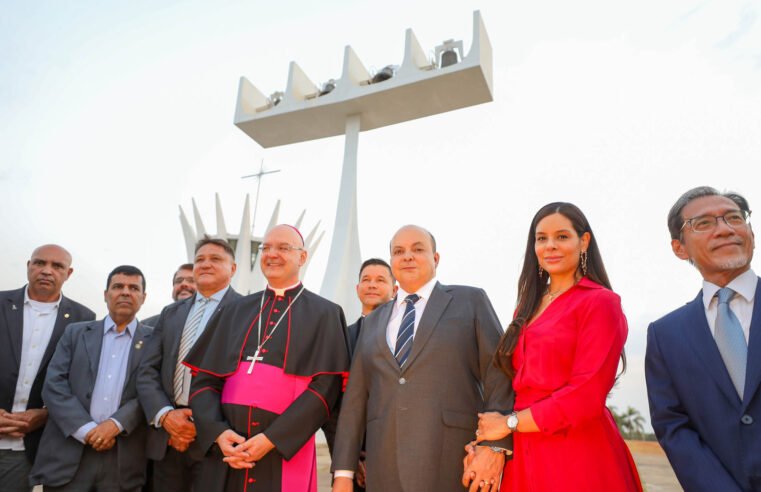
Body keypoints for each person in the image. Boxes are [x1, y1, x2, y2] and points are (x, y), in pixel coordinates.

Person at [473, 203, 642, 491]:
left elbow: (585, 397)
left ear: (584, 241)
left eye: (562, 237)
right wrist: (492, 445)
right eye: (542, 238)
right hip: (525, 450)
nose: (550, 245)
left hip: (576, 451)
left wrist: (509, 424)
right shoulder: (525, 309)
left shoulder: (600, 303)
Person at [332, 225, 513, 492]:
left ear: (435, 259)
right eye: (398, 251)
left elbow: (499, 375)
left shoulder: (470, 301)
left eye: (417, 249)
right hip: (384, 468)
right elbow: (354, 404)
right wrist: (343, 473)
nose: (407, 256)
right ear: (392, 262)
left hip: (455, 462)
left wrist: (495, 446)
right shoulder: (372, 323)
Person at [184, 224, 351, 491]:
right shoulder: (234, 310)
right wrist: (218, 432)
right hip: (227, 451)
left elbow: (325, 390)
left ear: (303, 257)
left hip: (284, 448)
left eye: (284, 248)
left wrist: (273, 438)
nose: (272, 254)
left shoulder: (325, 314)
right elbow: (204, 381)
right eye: (266, 248)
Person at [645, 187, 760, 491]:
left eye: (734, 218)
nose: (725, 229)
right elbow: (673, 426)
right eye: (704, 223)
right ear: (679, 248)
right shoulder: (666, 335)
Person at [29, 265, 152, 491]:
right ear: (106, 295)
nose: (125, 292)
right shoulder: (75, 333)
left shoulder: (155, 340)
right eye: (117, 286)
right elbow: (54, 385)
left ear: (143, 298)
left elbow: (152, 391)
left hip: (122, 460)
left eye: (133, 288)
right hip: (69, 455)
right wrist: (87, 430)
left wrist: (115, 424)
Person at [138, 239, 241, 491]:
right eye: (200, 259)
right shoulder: (171, 313)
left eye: (215, 259)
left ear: (233, 268)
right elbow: (147, 371)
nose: (205, 264)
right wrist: (165, 415)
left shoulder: (247, 311)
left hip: (218, 440)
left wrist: (205, 423)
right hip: (168, 437)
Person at [0, 244, 95, 492]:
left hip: (27, 447)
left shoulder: (83, 319)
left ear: (69, 273)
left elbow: (80, 383)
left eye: (57, 266)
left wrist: (45, 413)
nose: (46, 270)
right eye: (39, 263)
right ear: (28, 266)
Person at [325, 258, 397, 490]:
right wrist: (348, 458)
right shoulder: (340, 339)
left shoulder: (406, 339)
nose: (372, 285)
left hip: (398, 456)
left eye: (380, 280)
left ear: (395, 290)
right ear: (357, 289)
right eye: (366, 280)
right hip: (352, 463)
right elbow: (331, 404)